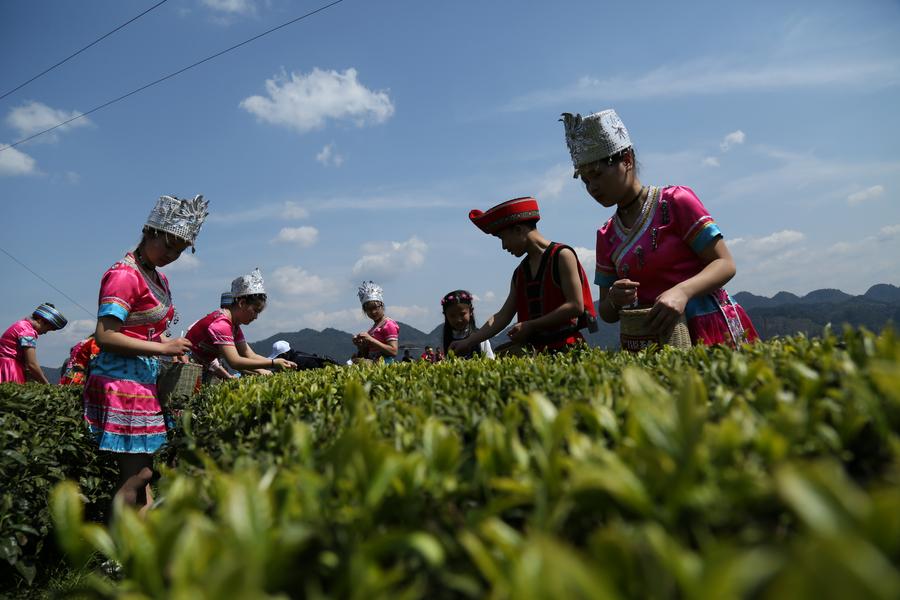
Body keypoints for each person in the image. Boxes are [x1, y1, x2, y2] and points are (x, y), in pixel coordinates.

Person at [560, 109, 759, 346]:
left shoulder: (675, 202)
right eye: (585, 181)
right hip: (653, 338)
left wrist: (682, 292)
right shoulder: (607, 235)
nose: (592, 187)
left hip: (708, 326)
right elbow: (607, 312)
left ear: (627, 160)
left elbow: (725, 264)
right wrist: (614, 299)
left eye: (597, 174)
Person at [83, 194, 208, 509]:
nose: (171, 255)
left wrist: (170, 348)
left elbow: (152, 331)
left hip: (142, 384)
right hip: (121, 382)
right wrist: (161, 347)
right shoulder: (124, 275)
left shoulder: (158, 277)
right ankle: (116, 553)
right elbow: (106, 335)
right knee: (138, 473)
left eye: (178, 251)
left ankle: (142, 543)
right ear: (149, 232)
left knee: (143, 475)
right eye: (167, 246)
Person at [450, 197, 597, 356]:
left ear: (519, 229)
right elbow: (503, 316)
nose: (504, 246)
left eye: (502, 238)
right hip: (536, 354)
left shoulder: (562, 256)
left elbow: (575, 305)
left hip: (568, 350)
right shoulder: (520, 272)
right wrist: (469, 341)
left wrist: (531, 325)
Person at [186, 269, 297, 380]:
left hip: (199, 368)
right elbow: (234, 361)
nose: (255, 317)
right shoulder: (221, 324)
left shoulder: (234, 327)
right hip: (184, 367)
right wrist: (272, 363)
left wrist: (271, 369)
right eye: (255, 311)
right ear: (242, 303)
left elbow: (249, 355)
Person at [0, 303, 67, 384]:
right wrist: (46, 384)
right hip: (10, 368)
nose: (45, 332)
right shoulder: (28, 332)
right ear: (40, 321)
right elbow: (32, 364)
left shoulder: (21, 324)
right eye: (47, 329)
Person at [352, 281, 399, 363]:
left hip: (384, 367)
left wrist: (371, 339)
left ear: (381, 305)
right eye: (368, 309)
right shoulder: (373, 328)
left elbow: (393, 351)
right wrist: (361, 346)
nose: (373, 312)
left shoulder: (388, 325)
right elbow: (366, 355)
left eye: (375, 307)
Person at [440, 290, 495, 359]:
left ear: (471, 311)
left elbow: (490, 361)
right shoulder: (447, 338)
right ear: (445, 315)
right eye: (452, 316)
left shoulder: (480, 337)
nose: (458, 319)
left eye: (462, 314)